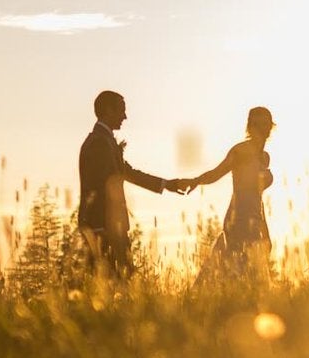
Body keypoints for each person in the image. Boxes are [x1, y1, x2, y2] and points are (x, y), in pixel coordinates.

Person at [77, 89, 176, 275]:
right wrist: (100, 229)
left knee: (119, 282)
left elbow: (127, 173)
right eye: (121, 110)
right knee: (110, 284)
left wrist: (167, 184)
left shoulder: (105, 141)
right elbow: (97, 188)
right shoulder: (98, 143)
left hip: (112, 228)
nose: (125, 116)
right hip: (104, 229)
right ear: (108, 110)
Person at [179, 105, 276, 269]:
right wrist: (195, 181)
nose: (264, 128)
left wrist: (265, 231)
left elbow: (258, 197)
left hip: (255, 219)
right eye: (258, 124)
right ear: (250, 127)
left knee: (252, 276)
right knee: (236, 270)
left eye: (267, 123)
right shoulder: (240, 151)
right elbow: (216, 173)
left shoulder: (264, 157)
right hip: (238, 218)